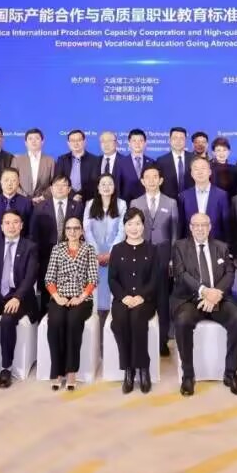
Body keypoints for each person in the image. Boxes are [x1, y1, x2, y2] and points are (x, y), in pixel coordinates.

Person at [171, 213, 237, 397]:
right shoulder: (180, 246)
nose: (200, 228)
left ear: (210, 227)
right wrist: (205, 291)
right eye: (196, 225)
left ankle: (231, 373)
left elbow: (229, 273)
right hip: (190, 299)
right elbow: (181, 274)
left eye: (204, 225)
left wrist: (216, 293)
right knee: (182, 321)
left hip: (218, 298)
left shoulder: (221, 247)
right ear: (190, 227)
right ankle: (188, 375)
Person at [0, 211, 40, 389]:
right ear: (1, 227)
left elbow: (30, 277)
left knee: (7, 320)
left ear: (22, 225)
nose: (11, 226)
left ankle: (6, 368)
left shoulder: (30, 247)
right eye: (7, 223)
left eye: (15, 222)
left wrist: (17, 297)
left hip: (20, 297)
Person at [130, 164, 180, 357]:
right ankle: (142, 338)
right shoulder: (135, 202)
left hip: (163, 257)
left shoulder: (171, 202)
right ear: (142, 181)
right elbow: (131, 231)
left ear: (161, 180)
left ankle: (162, 341)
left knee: (163, 300)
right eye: (147, 177)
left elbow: (175, 234)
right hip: (140, 256)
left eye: (154, 177)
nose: (151, 180)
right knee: (141, 296)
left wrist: (172, 259)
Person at [44, 215, 98, 391]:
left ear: (81, 231)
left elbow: (93, 279)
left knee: (74, 322)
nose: (72, 232)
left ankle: (71, 371)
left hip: (82, 298)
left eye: (76, 228)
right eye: (69, 228)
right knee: (56, 322)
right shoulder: (57, 249)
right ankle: (57, 371)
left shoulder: (89, 249)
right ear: (64, 231)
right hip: (59, 297)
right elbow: (49, 278)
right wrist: (57, 296)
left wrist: (80, 297)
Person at [108, 208, 157, 394]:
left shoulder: (152, 249)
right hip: (122, 299)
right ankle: (128, 369)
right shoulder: (117, 250)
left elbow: (155, 279)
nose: (134, 228)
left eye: (138, 223)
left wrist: (141, 296)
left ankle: (143, 367)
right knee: (119, 321)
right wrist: (124, 296)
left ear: (143, 226)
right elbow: (112, 279)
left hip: (145, 300)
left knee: (137, 319)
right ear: (124, 226)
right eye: (130, 224)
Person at [29, 174, 83, 311]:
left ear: (69, 189)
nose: (60, 188)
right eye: (56, 185)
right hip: (46, 257)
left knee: (70, 294)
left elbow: (82, 233)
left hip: (71, 257)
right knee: (47, 295)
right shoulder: (40, 207)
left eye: (63, 185)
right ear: (51, 189)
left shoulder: (77, 207)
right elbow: (33, 234)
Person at [84, 173, 126, 312]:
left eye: (110, 184)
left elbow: (122, 230)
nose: (106, 187)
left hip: (115, 251)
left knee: (113, 283)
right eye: (103, 184)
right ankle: (96, 311)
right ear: (98, 187)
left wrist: (111, 253)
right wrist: (96, 252)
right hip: (94, 252)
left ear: (114, 187)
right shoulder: (90, 204)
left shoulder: (121, 204)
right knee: (96, 285)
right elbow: (87, 230)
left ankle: (113, 311)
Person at [177, 157, 230, 241]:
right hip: (190, 244)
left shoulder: (222, 195)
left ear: (210, 172)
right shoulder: (183, 196)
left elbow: (226, 225)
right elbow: (181, 226)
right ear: (191, 174)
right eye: (196, 169)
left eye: (203, 168)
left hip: (216, 244)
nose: (200, 172)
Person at [0, 167, 34, 239]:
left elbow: (30, 230)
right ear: (1, 182)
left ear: (18, 182)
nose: (9, 183)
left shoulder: (26, 203)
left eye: (13, 180)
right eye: (6, 180)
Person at [54, 128, 99, 202]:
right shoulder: (62, 159)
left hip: (88, 199)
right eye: (72, 141)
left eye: (79, 140)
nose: (76, 143)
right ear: (68, 143)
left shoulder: (94, 160)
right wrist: (72, 195)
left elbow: (94, 182)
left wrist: (80, 195)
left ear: (84, 142)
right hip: (66, 198)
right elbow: (58, 180)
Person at [12, 127, 55, 202]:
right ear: (25, 143)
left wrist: (42, 197)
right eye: (30, 139)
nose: (33, 141)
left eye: (37, 138)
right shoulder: (17, 160)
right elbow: (13, 181)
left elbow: (54, 182)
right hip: (22, 200)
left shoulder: (50, 161)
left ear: (42, 142)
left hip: (43, 201)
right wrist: (26, 197)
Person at [94, 130, 137, 204]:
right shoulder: (95, 161)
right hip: (98, 204)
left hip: (121, 204)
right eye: (103, 141)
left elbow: (130, 187)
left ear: (116, 143)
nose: (106, 144)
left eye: (109, 141)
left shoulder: (127, 162)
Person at [156, 126, 195, 200]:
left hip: (191, 200)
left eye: (181, 138)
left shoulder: (194, 159)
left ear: (185, 141)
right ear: (170, 140)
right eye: (175, 138)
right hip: (168, 201)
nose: (178, 141)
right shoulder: (161, 161)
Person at [121, 128, 153, 201]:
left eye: (140, 141)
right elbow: (118, 187)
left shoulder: (151, 162)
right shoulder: (121, 163)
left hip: (147, 203)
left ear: (145, 143)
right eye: (134, 141)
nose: (137, 144)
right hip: (127, 203)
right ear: (129, 143)